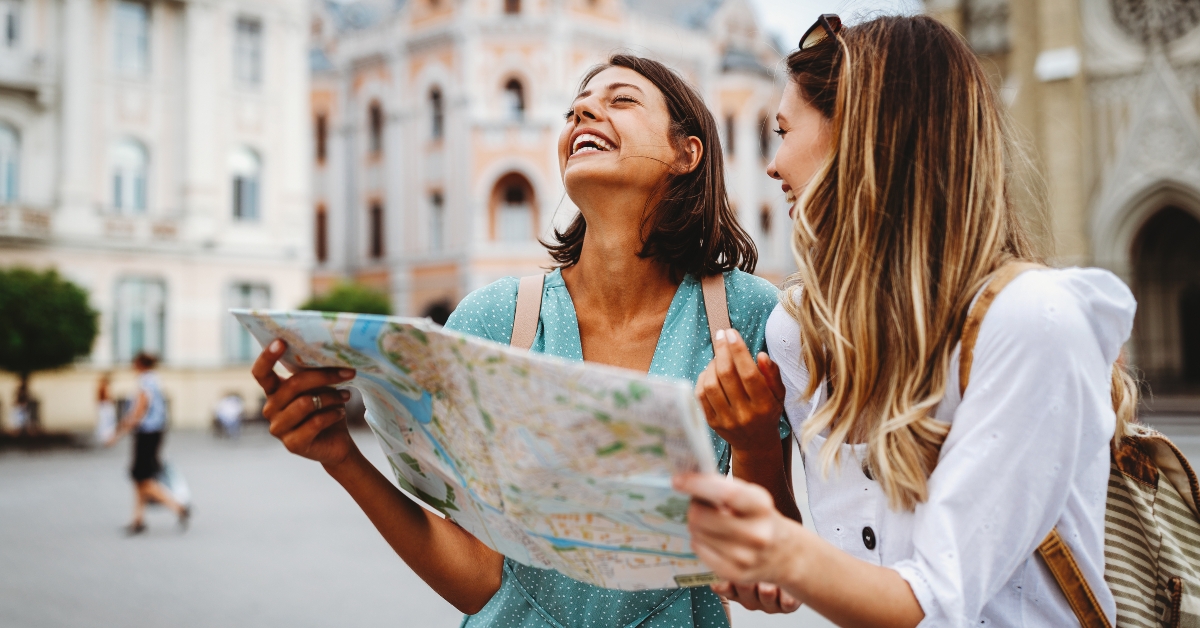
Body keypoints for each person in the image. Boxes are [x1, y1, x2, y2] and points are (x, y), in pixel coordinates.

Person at [250, 54, 795, 627]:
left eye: (621, 100)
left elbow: (775, 575)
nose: (583, 109)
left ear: (688, 153)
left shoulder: (745, 314)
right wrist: (343, 458)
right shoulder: (493, 319)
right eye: (576, 107)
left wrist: (756, 444)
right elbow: (478, 580)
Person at [673, 15, 1137, 627]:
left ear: (865, 136)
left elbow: (935, 604)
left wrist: (774, 549)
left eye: (783, 131)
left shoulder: (1030, 321)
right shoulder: (799, 330)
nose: (772, 163)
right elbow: (792, 577)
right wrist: (753, 444)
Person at [107, 352, 190, 535]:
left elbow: (138, 412)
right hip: (154, 433)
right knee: (139, 477)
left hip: (147, 435)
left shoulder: (145, 382)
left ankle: (179, 507)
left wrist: (117, 433)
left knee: (142, 477)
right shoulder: (155, 379)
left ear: (139, 364)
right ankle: (138, 519)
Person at [95, 373, 118, 445]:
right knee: (108, 422)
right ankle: (107, 438)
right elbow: (107, 397)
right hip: (106, 406)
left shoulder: (100, 387)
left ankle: (106, 438)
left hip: (103, 406)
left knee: (104, 422)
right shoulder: (104, 387)